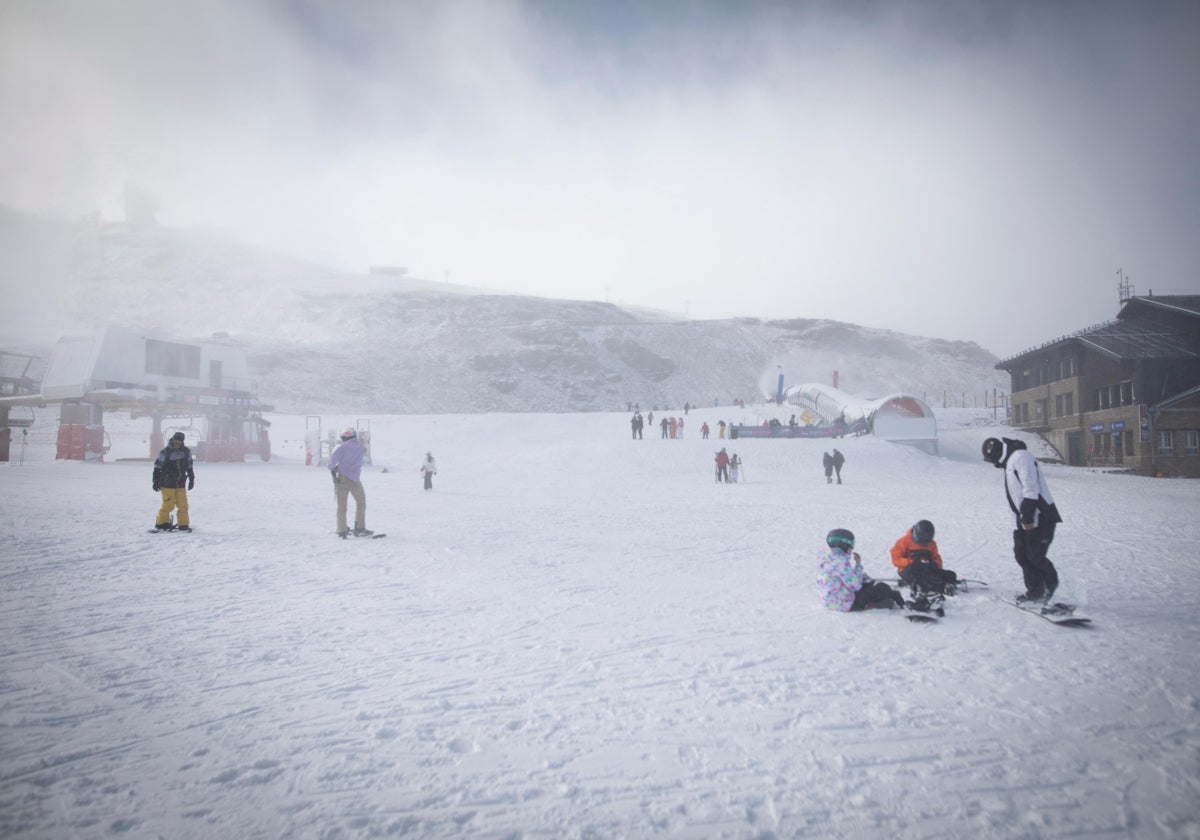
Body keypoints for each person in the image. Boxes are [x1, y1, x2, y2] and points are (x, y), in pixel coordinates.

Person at [983, 436, 1064, 603]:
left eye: (991, 460)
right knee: (1021, 555)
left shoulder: (1021, 457)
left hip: (1040, 517)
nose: (993, 464)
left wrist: (1027, 518)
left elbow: (1031, 489)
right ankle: (1035, 590)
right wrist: (1018, 521)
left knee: (1035, 556)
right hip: (1023, 519)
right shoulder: (1009, 462)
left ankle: (1050, 584)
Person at [817, 528, 906, 612]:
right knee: (882, 588)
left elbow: (842, 577)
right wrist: (858, 565)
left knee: (870, 587)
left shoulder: (826, 557)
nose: (852, 548)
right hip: (844, 603)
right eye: (851, 545)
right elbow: (856, 586)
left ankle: (881, 601)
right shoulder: (841, 562)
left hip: (828, 601)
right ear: (843, 545)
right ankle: (876, 605)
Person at [890, 519, 958, 598]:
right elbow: (896, 559)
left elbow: (936, 557)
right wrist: (911, 562)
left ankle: (943, 582)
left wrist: (934, 564)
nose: (924, 544)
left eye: (926, 542)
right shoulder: (904, 541)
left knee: (950, 575)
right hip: (909, 569)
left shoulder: (932, 544)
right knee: (922, 577)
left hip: (926, 567)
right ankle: (942, 586)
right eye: (921, 541)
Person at [329, 427, 371, 537]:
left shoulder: (341, 448)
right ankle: (359, 528)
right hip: (355, 480)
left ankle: (341, 530)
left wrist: (336, 469)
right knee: (361, 503)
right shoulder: (360, 446)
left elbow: (331, 464)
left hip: (342, 479)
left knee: (341, 506)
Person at [152, 431, 195, 531]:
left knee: (183, 505)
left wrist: (191, 479)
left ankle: (183, 524)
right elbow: (157, 467)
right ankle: (162, 522)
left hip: (180, 483)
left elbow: (189, 467)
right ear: (173, 439)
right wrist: (155, 481)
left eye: (179, 441)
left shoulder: (186, 452)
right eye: (176, 440)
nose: (177, 443)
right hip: (167, 483)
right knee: (168, 504)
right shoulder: (165, 452)